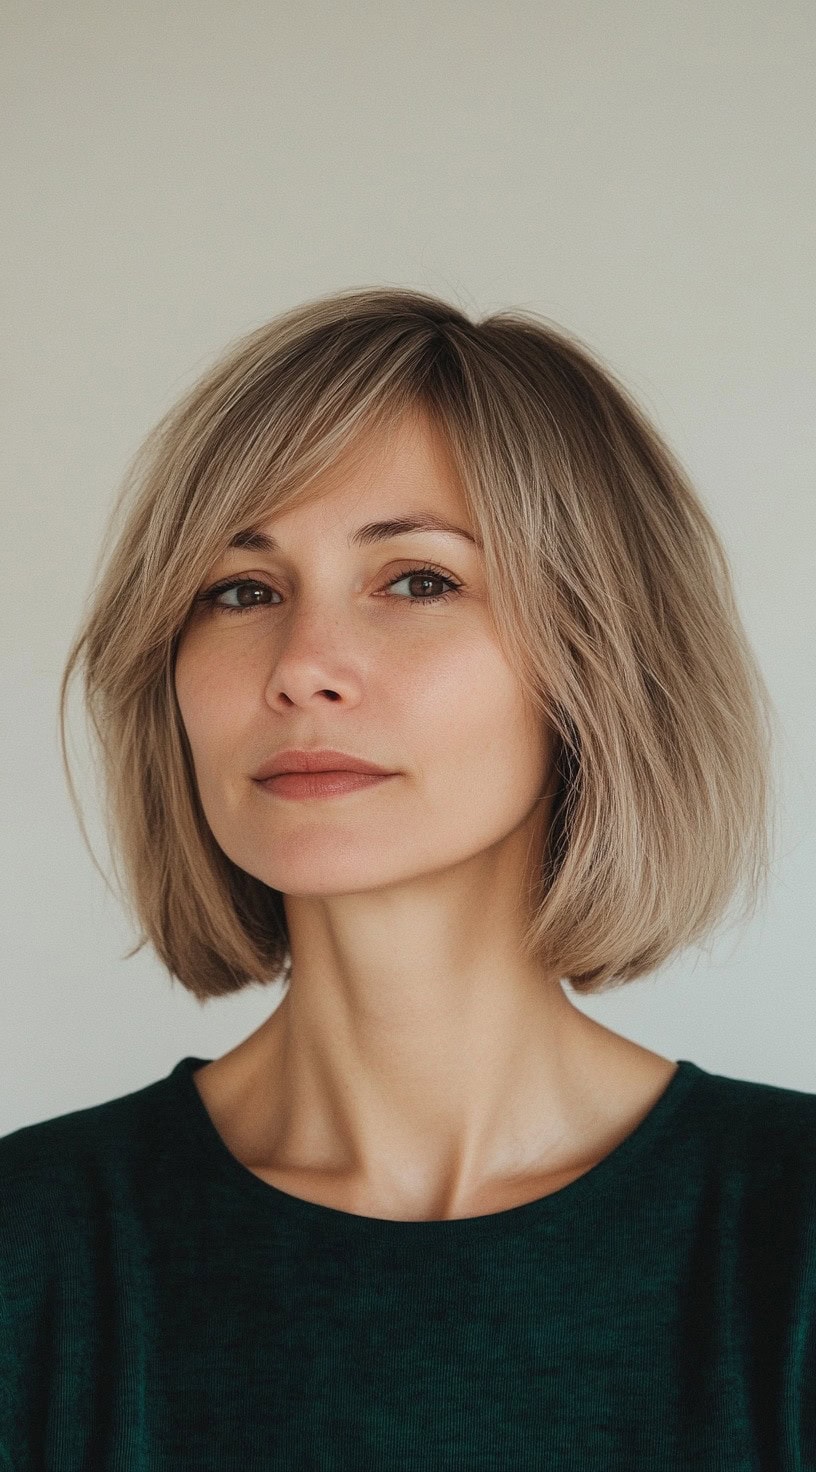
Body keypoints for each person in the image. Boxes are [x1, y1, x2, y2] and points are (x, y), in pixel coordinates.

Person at [2, 286, 813, 1469]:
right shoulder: (29, 1250)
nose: (302, 667)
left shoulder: (789, 1242)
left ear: (598, 659)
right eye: (242, 591)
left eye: (417, 580)